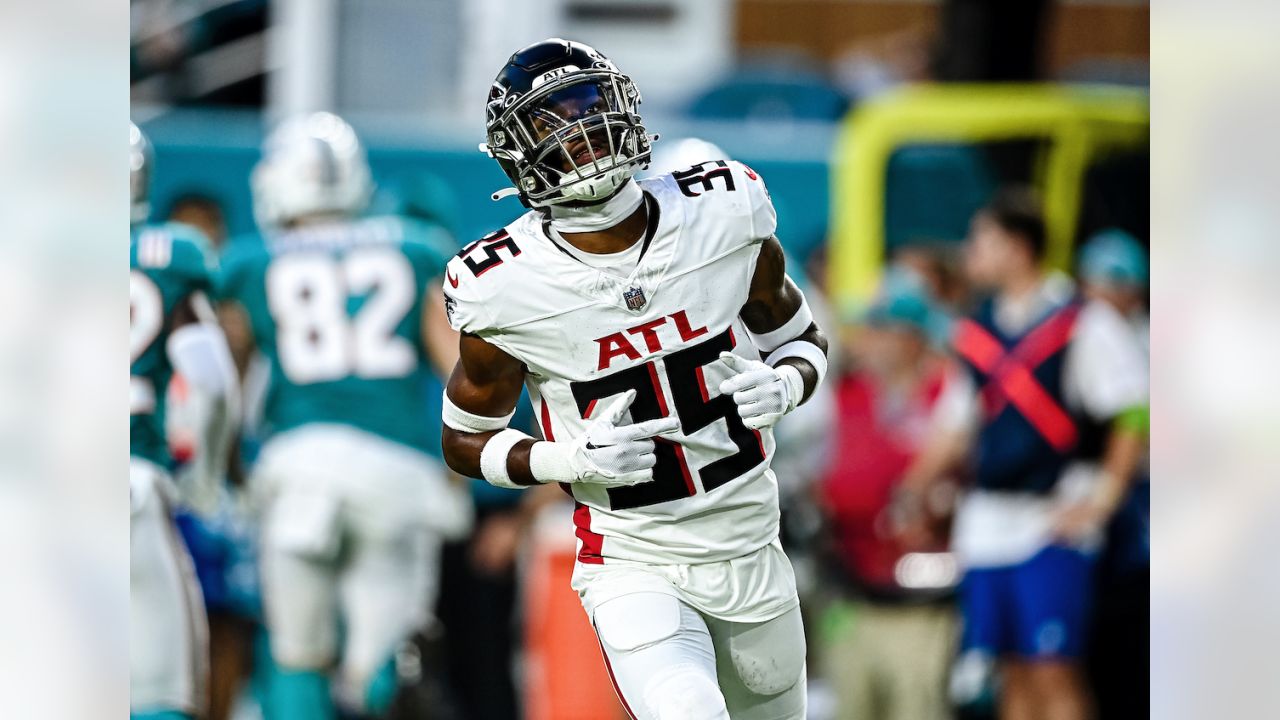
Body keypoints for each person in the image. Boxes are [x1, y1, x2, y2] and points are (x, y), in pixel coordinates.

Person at [440, 39, 829, 720]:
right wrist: (568, 457)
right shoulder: (503, 284)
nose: (580, 131)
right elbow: (464, 440)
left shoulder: (723, 211)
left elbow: (798, 339)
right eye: (551, 120)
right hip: (633, 557)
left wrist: (788, 385)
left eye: (587, 104)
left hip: (751, 541)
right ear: (516, 151)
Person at [216, 112, 469, 719]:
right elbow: (466, 374)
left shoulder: (252, 260)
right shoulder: (412, 246)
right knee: (386, 661)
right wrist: (457, 474)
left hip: (298, 466)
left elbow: (220, 387)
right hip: (395, 471)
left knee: (297, 654)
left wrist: (232, 473)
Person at [898, 188, 1149, 720]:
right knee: (1008, 668)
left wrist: (1104, 498)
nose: (970, 252)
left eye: (981, 240)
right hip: (989, 523)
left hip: (1051, 518)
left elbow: (1132, 412)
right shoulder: (980, 329)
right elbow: (957, 424)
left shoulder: (1083, 321)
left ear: (1016, 247)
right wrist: (912, 489)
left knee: (1054, 668)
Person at [131, 123, 240, 720]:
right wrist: (207, 478)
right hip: (133, 482)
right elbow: (214, 378)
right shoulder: (167, 257)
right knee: (159, 689)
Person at [818, 285, 960, 720]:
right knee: (851, 705)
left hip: (921, 600)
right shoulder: (848, 392)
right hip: (848, 586)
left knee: (916, 706)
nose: (864, 341)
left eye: (877, 330)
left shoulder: (949, 393)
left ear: (909, 337)